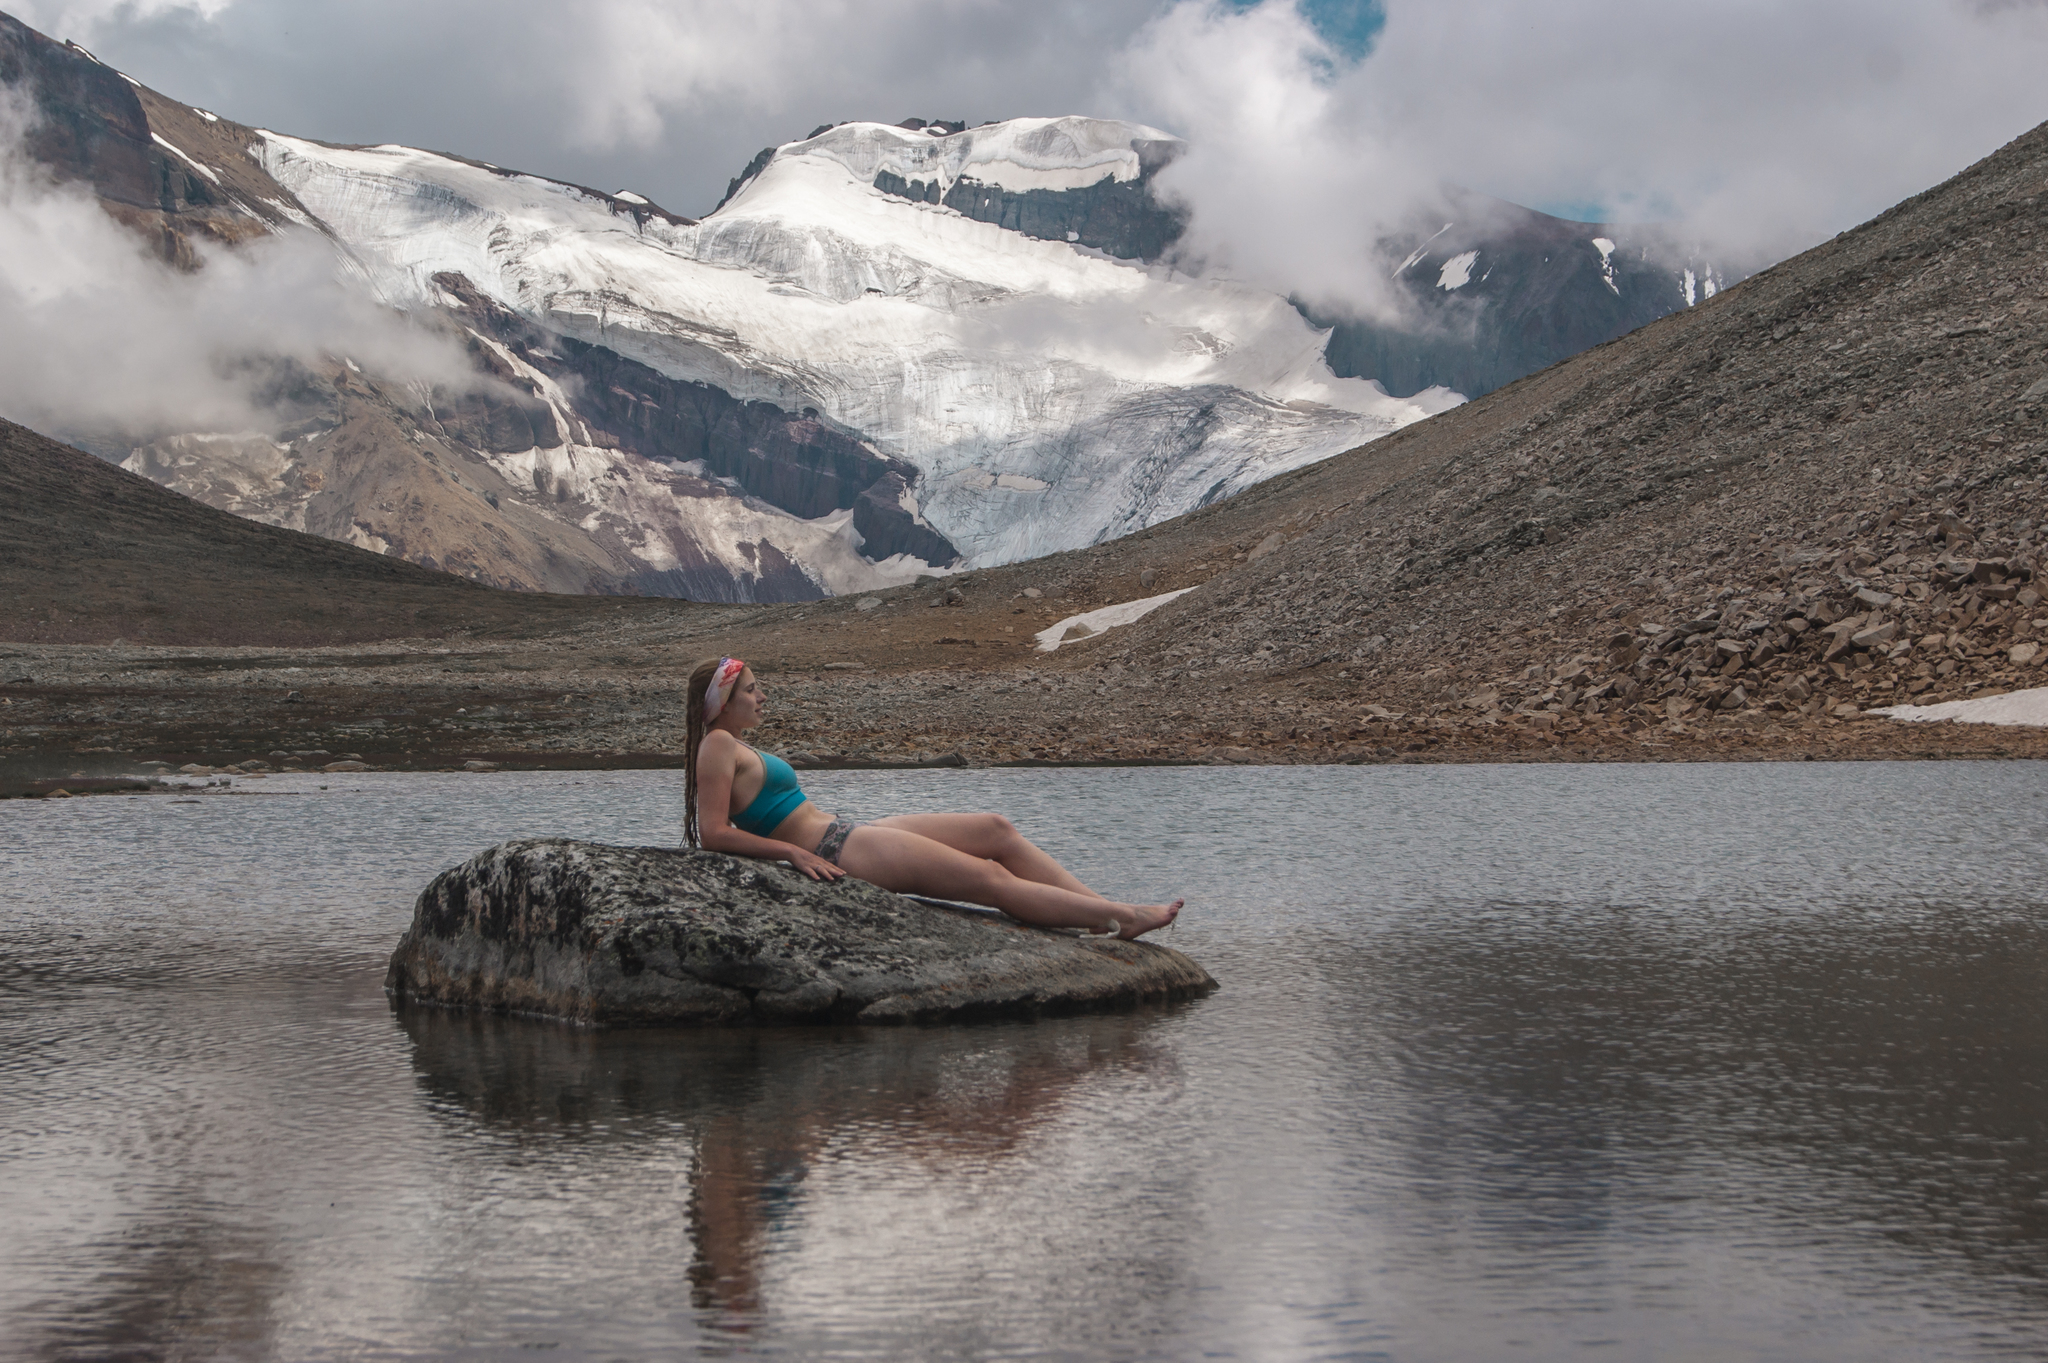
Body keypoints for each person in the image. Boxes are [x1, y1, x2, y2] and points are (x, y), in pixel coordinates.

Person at [683, 656, 1182, 940]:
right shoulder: (718, 745)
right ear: (723, 701)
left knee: (994, 829)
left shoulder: (733, 744)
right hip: (836, 851)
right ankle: (1123, 916)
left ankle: (1100, 914)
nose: (762, 697)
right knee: (990, 878)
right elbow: (714, 834)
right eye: (752, 690)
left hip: (846, 832)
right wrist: (793, 852)